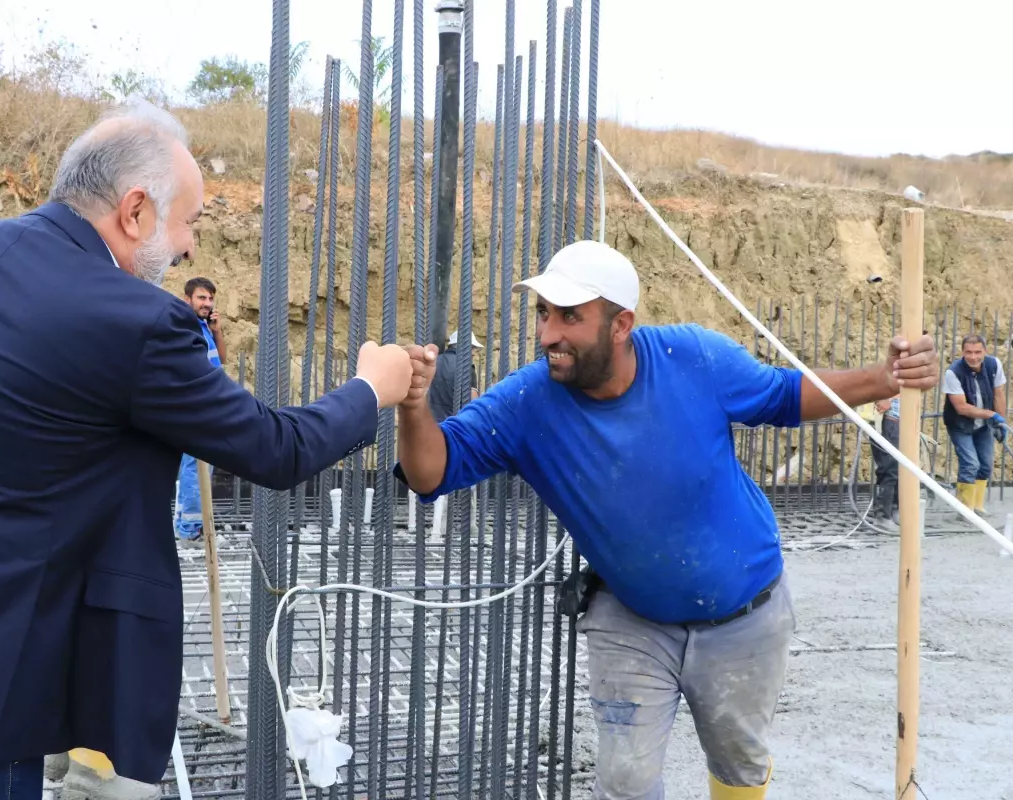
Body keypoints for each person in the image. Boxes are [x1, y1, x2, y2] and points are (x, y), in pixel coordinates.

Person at [0, 99, 413, 799]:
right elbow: (273, 448)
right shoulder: (137, 322)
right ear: (135, 209)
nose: (192, 249)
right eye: (190, 223)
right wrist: (370, 389)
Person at [394, 239, 938, 800]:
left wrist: (885, 377)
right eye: (543, 313)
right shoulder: (526, 402)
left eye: (570, 317)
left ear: (620, 324)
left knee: (739, 764)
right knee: (625, 781)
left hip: (746, 614)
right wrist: (414, 408)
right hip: (632, 619)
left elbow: (784, 394)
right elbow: (432, 471)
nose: (549, 334)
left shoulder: (694, 358)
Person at [173, 276, 227, 542]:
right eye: (201, 298)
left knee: (197, 466)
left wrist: (216, 331)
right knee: (197, 466)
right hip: (197, 406)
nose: (207, 303)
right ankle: (192, 530)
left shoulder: (203, 327)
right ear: (188, 299)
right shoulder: (186, 326)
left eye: (210, 298)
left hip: (207, 404)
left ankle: (186, 525)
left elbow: (221, 360)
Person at [425, 330, 482, 539]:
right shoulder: (467, 366)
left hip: (432, 425)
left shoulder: (436, 362)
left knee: (438, 475)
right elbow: (473, 399)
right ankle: (470, 525)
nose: (474, 354)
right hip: (458, 427)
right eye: (474, 349)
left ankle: (437, 527)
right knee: (469, 473)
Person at [942, 333, 1006, 516]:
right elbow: (961, 408)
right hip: (960, 424)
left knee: (985, 465)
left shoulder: (994, 365)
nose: (973, 357)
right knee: (970, 463)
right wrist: (992, 414)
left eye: (978, 352)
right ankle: (965, 510)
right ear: (962, 352)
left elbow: (998, 394)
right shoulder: (953, 372)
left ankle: (977, 507)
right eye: (968, 352)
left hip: (983, 424)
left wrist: (1001, 422)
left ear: (985, 351)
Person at [871, 393, 901, 520]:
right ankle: (883, 515)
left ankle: (893, 511)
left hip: (893, 420)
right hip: (889, 419)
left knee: (897, 468)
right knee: (890, 469)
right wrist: (883, 398)